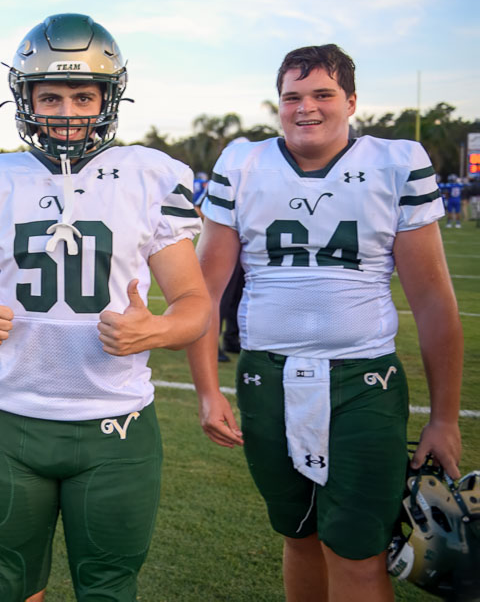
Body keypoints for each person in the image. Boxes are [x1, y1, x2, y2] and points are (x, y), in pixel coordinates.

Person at [0, 13, 210, 601]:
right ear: (26, 99)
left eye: (83, 97)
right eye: (51, 97)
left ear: (108, 99)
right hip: (10, 422)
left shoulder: (150, 175)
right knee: (10, 585)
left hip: (116, 424)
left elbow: (195, 304)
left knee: (109, 588)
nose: (66, 112)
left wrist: (155, 330)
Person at [186, 44, 462, 602]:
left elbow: (433, 301)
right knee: (299, 536)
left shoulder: (395, 163)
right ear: (278, 104)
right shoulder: (243, 163)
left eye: (321, 95)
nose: (305, 107)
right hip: (266, 377)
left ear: (351, 102)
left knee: (359, 550)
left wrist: (445, 418)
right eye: (292, 97)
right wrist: (208, 392)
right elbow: (204, 295)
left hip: (362, 380)